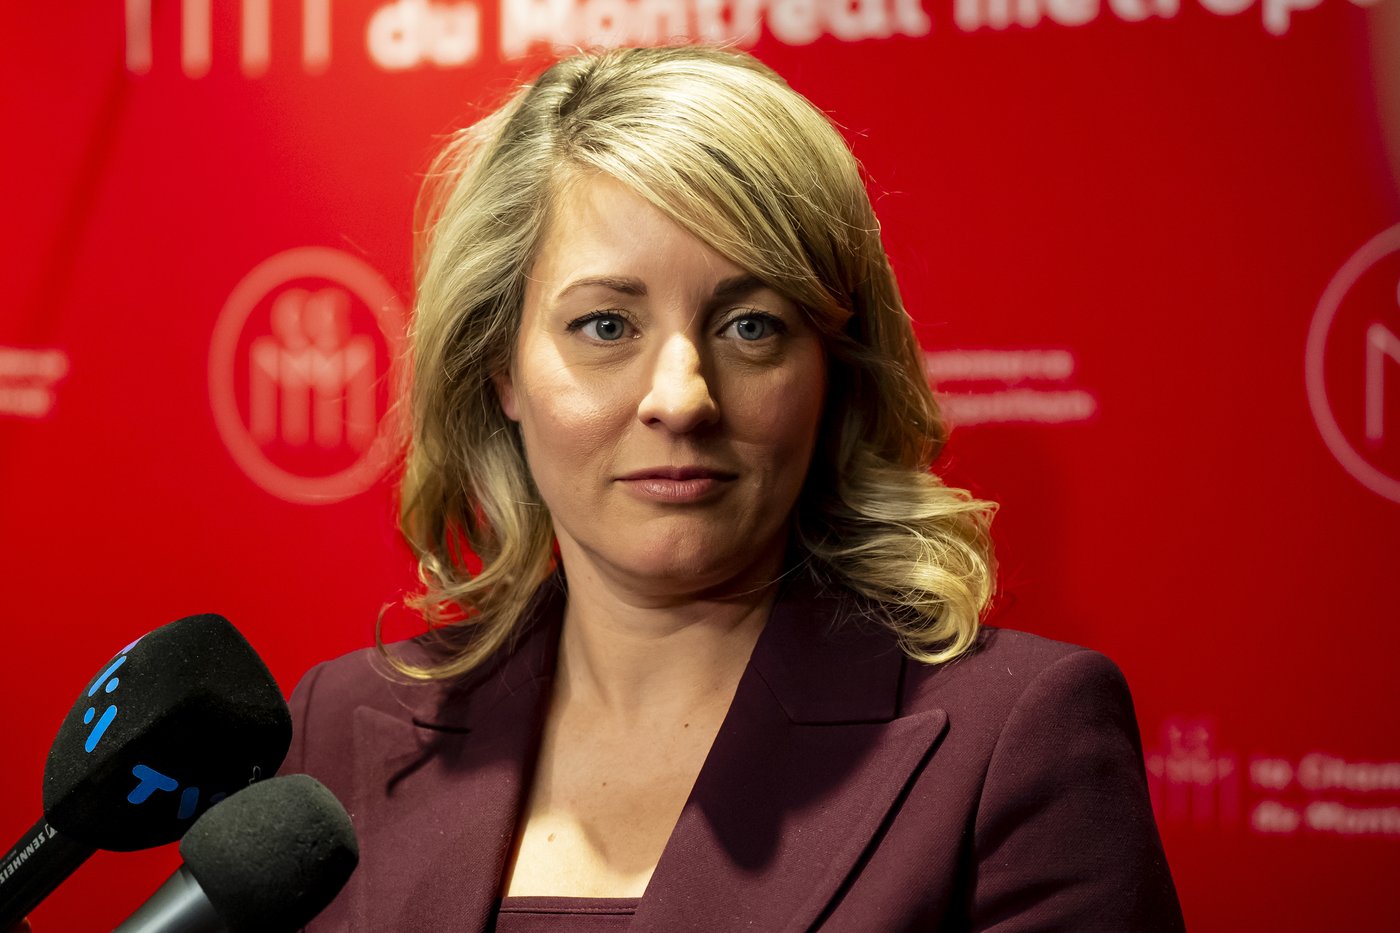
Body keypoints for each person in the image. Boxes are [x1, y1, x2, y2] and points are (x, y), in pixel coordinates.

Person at [280, 45, 1186, 931]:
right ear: (500, 369)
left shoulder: (1013, 739)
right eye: (606, 325)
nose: (682, 399)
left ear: (830, 369)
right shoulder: (335, 730)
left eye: (751, 325)